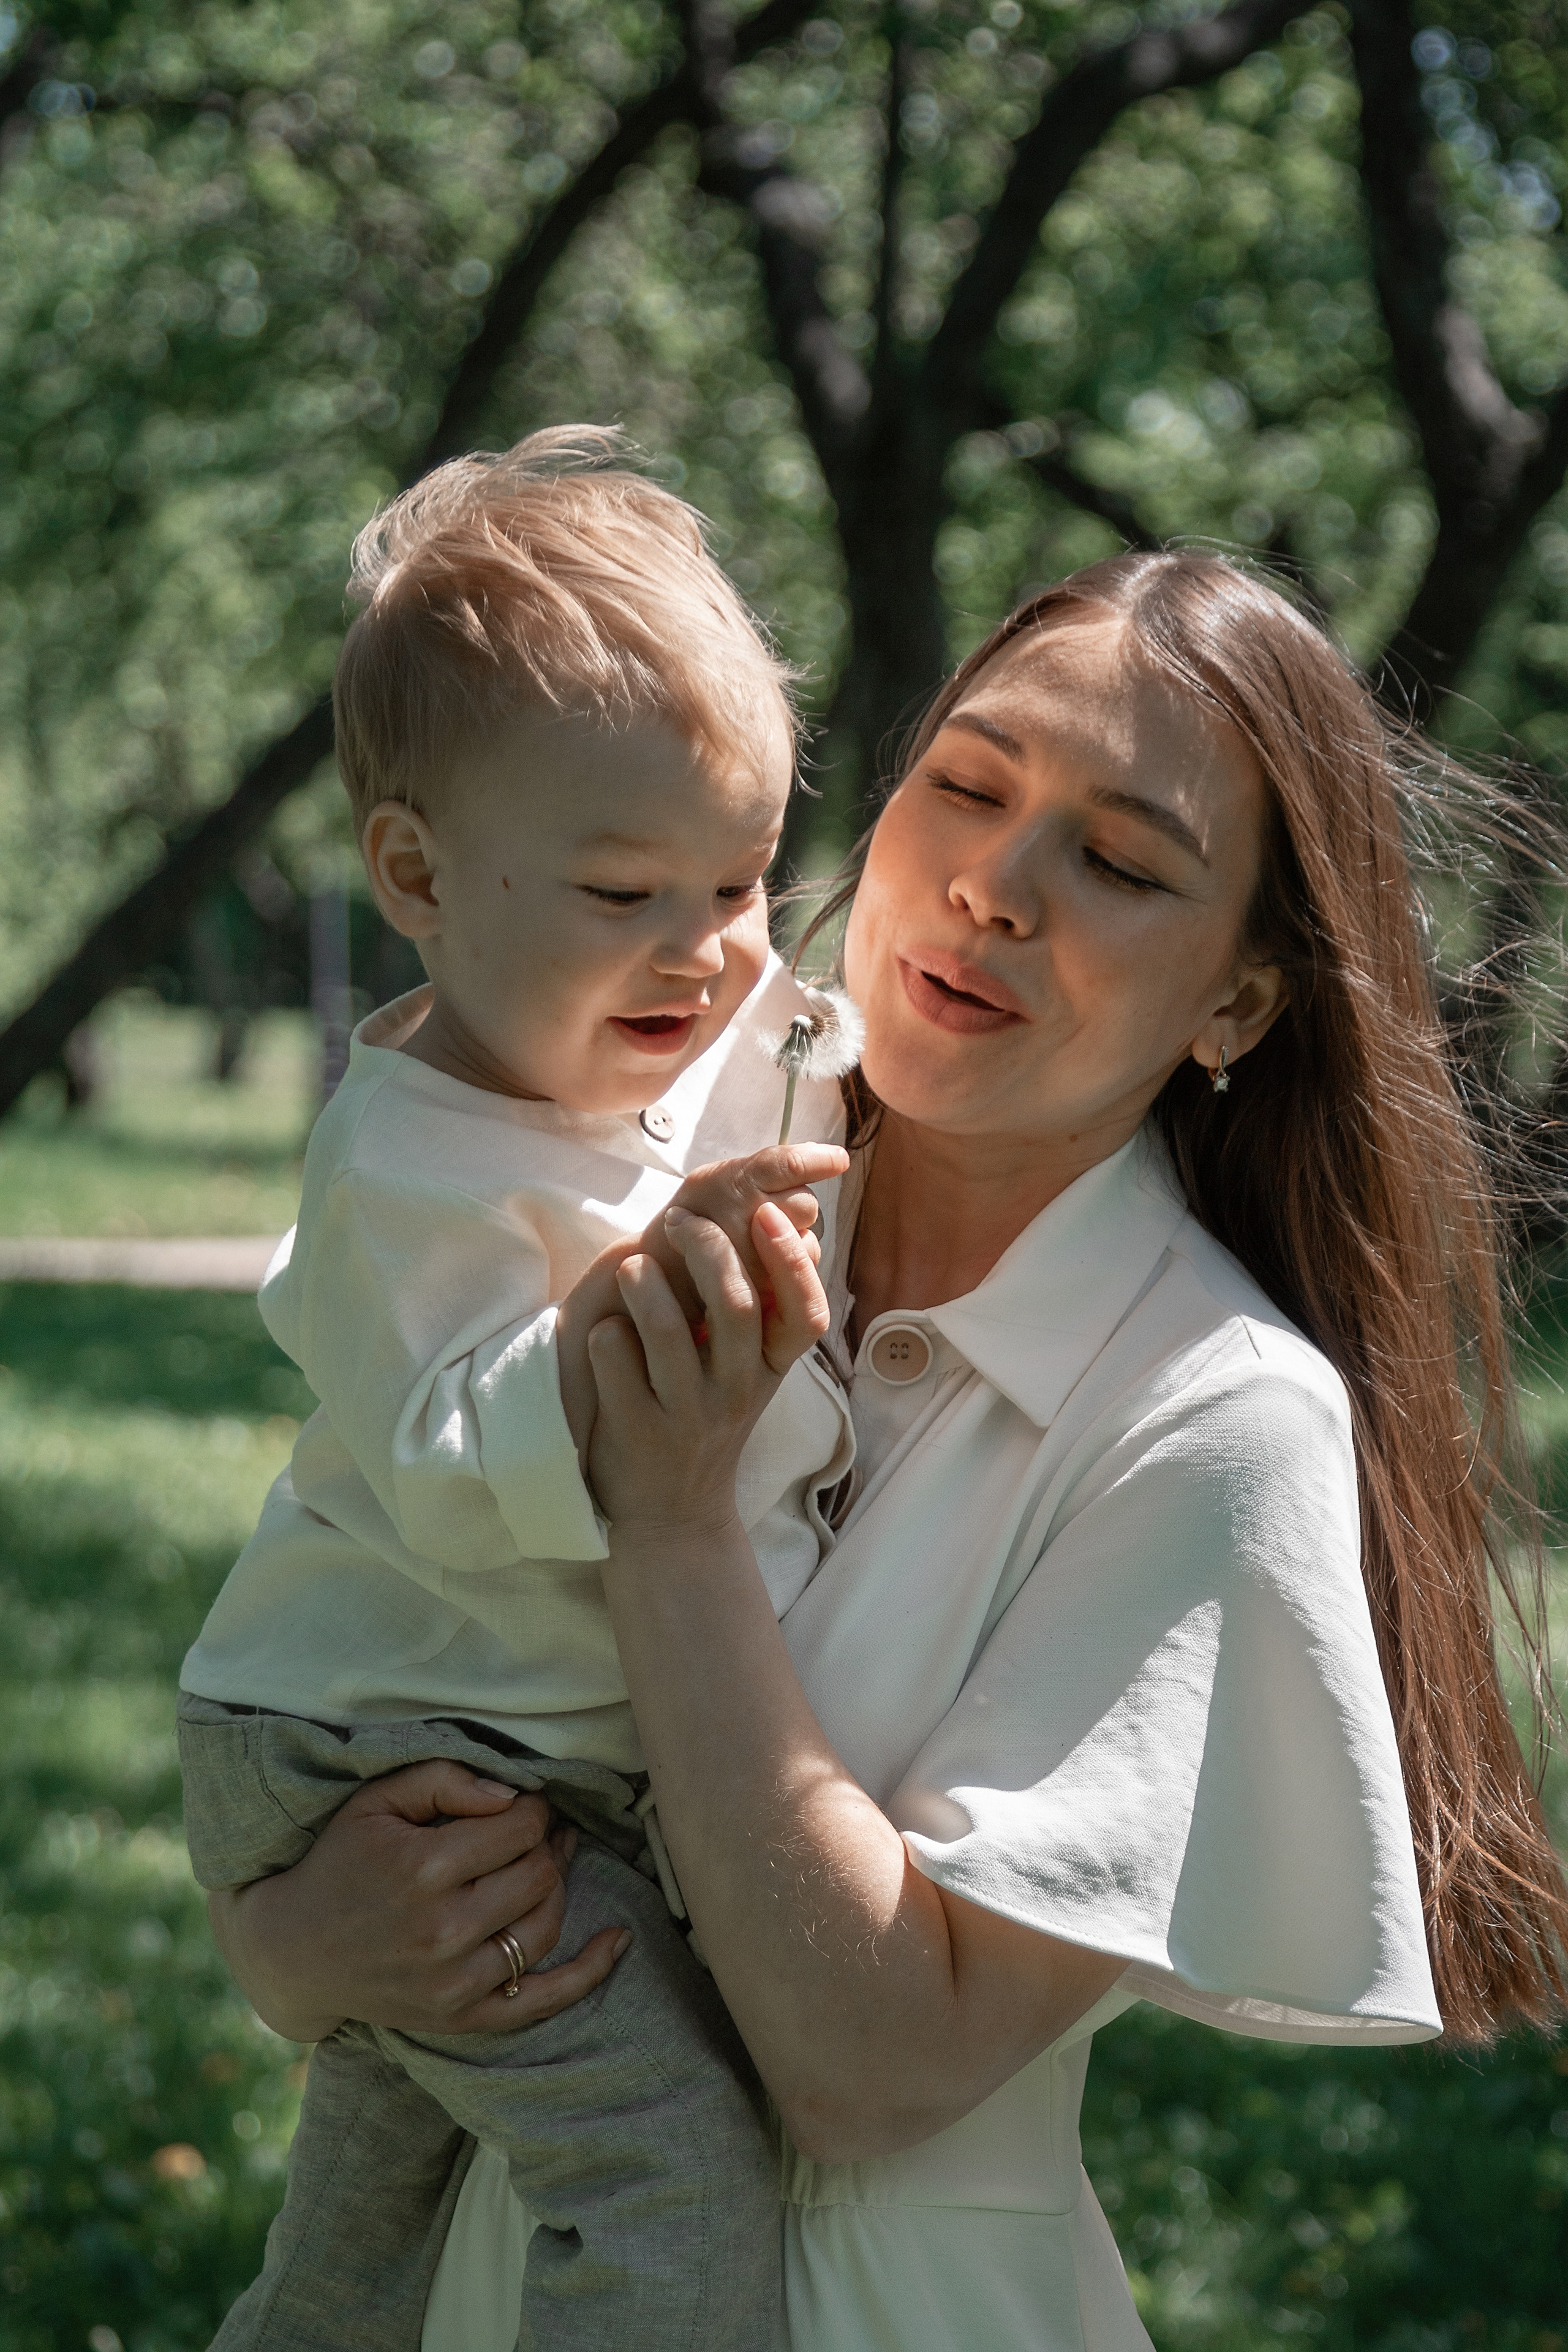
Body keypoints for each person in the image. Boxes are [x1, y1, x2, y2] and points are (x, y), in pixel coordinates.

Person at [208, 549, 1568, 2351]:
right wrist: (297, 1941)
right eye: (973, 785)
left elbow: (868, 2068)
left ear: (1240, 1003)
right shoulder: (662, 1122)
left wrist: (674, 1516)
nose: (998, 887)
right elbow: (377, 1621)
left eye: (1122, 860)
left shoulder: (1215, 1417)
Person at [178, 428, 859, 2352]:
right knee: (668, 2177)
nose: (711, 952)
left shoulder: (615, 1050)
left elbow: (795, 1048)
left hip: (453, 1756)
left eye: (743, 877)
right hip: (382, 1762)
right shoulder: (407, 1166)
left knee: (358, 2255)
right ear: (414, 875)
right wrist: (640, 1300)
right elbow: (456, 1459)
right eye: (628, 890)